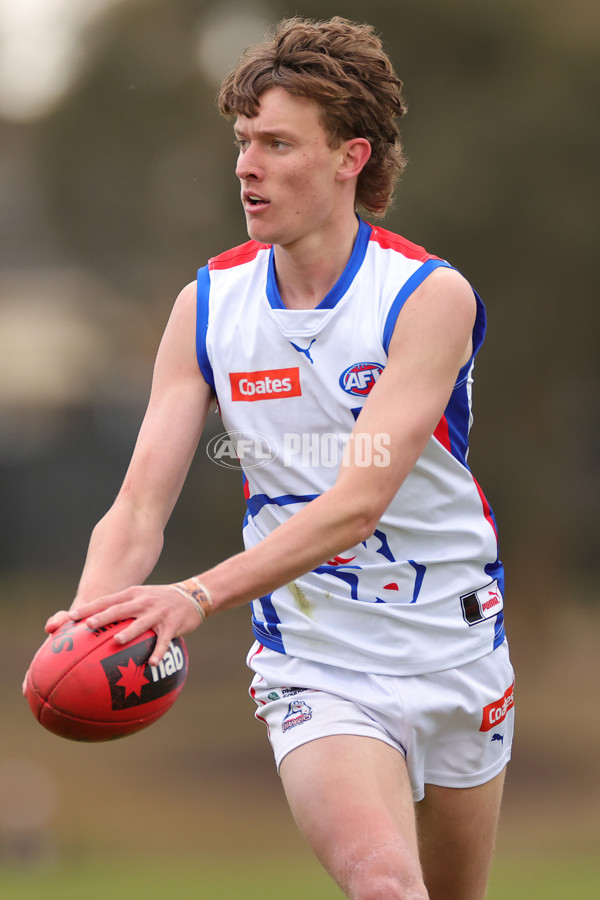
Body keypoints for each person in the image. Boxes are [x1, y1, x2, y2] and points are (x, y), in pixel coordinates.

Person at [38, 17, 514, 900]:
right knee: (384, 886)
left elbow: (358, 501)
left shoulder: (424, 296)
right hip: (316, 658)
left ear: (350, 158)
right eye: (242, 141)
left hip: (457, 647)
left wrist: (195, 595)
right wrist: (89, 620)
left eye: (277, 143)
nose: (246, 165)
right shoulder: (209, 307)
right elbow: (140, 506)